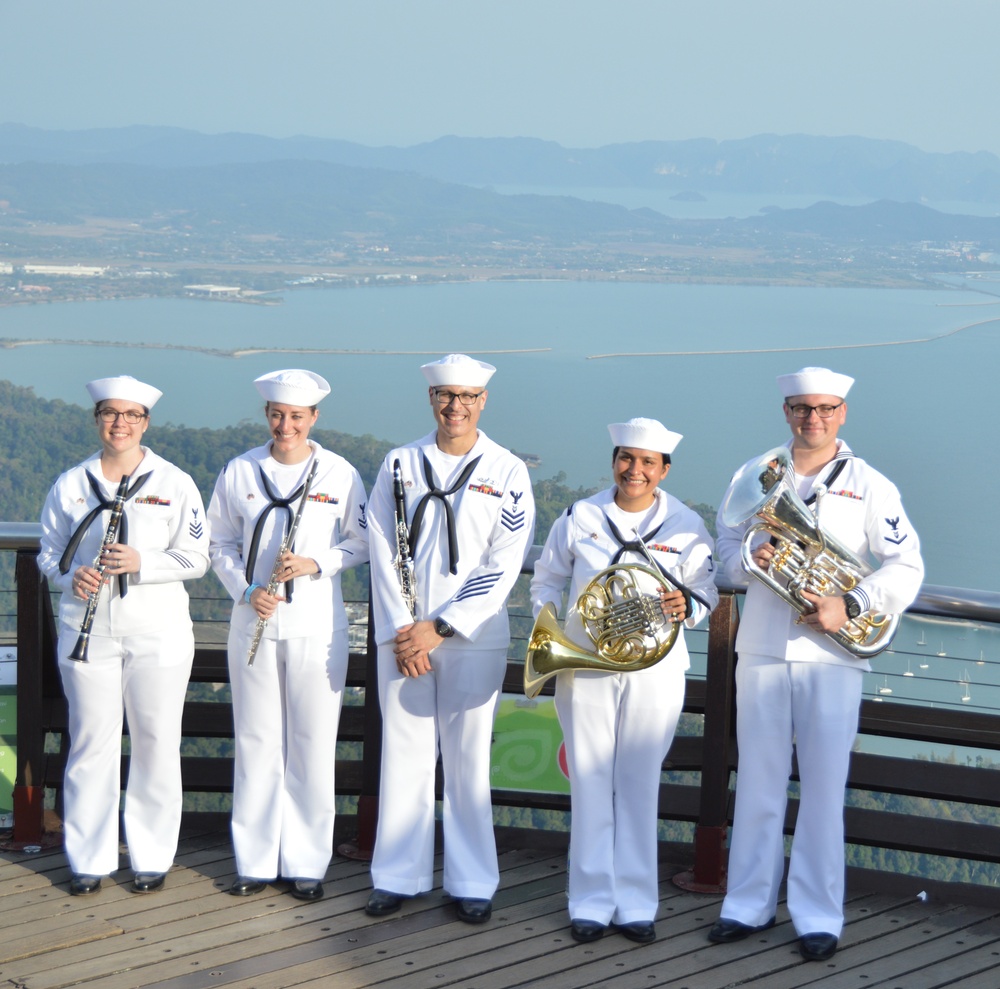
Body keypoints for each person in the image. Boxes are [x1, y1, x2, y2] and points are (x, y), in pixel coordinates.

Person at [708, 367, 924, 961]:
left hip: (832, 655)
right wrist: (752, 553)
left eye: (826, 409)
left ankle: (818, 915)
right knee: (756, 782)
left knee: (825, 789)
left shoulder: (872, 485)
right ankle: (745, 905)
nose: (814, 419)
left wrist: (850, 602)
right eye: (802, 408)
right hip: (761, 650)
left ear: (843, 414)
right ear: (786, 412)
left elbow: (906, 566)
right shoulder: (756, 473)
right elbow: (725, 552)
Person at [530, 417, 717, 944]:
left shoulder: (686, 524)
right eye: (626, 458)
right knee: (589, 782)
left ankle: (636, 903)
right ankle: (588, 902)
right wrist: (549, 625)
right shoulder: (580, 515)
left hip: (654, 670)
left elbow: (707, 590)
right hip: (586, 665)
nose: (635, 470)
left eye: (647, 463)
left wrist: (688, 606)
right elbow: (546, 578)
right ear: (614, 461)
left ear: (664, 469)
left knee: (638, 785)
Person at [364, 354, 535, 924]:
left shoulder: (509, 470)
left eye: (466, 396)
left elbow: (504, 562)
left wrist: (440, 626)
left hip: (473, 636)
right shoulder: (400, 463)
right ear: (431, 400)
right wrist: (404, 630)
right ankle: (397, 875)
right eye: (445, 395)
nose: (455, 406)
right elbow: (383, 552)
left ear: (483, 401)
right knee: (404, 758)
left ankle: (472, 882)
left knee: (467, 764)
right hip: (402, 637)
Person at [38, 375, 210, 896]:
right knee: (91, 743)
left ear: (146, 423)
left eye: (131, 415)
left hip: (158, 634)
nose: (120, 423)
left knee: (157, 742)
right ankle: (88, 857)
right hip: (86, 630)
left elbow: (197, 558)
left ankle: (151, 856)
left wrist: (142, 563)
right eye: (111, 413)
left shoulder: (175, 483)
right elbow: (48, 554)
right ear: (97, 420)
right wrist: (73, 576)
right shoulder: (71, 485)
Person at [207, 368, 369, 901]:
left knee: (311, 743)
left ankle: (306, 863)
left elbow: (361, 542)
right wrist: (244, 588)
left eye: (296, 416)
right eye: (277, 415)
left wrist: (314, 564)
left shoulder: (339, 473)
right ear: (267, 417)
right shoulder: (240, 470)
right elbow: (219, 542)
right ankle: (254, 860)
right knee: (255, 741)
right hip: (254, 620)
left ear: (314, 418)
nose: (285, 425)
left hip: (317, 627)